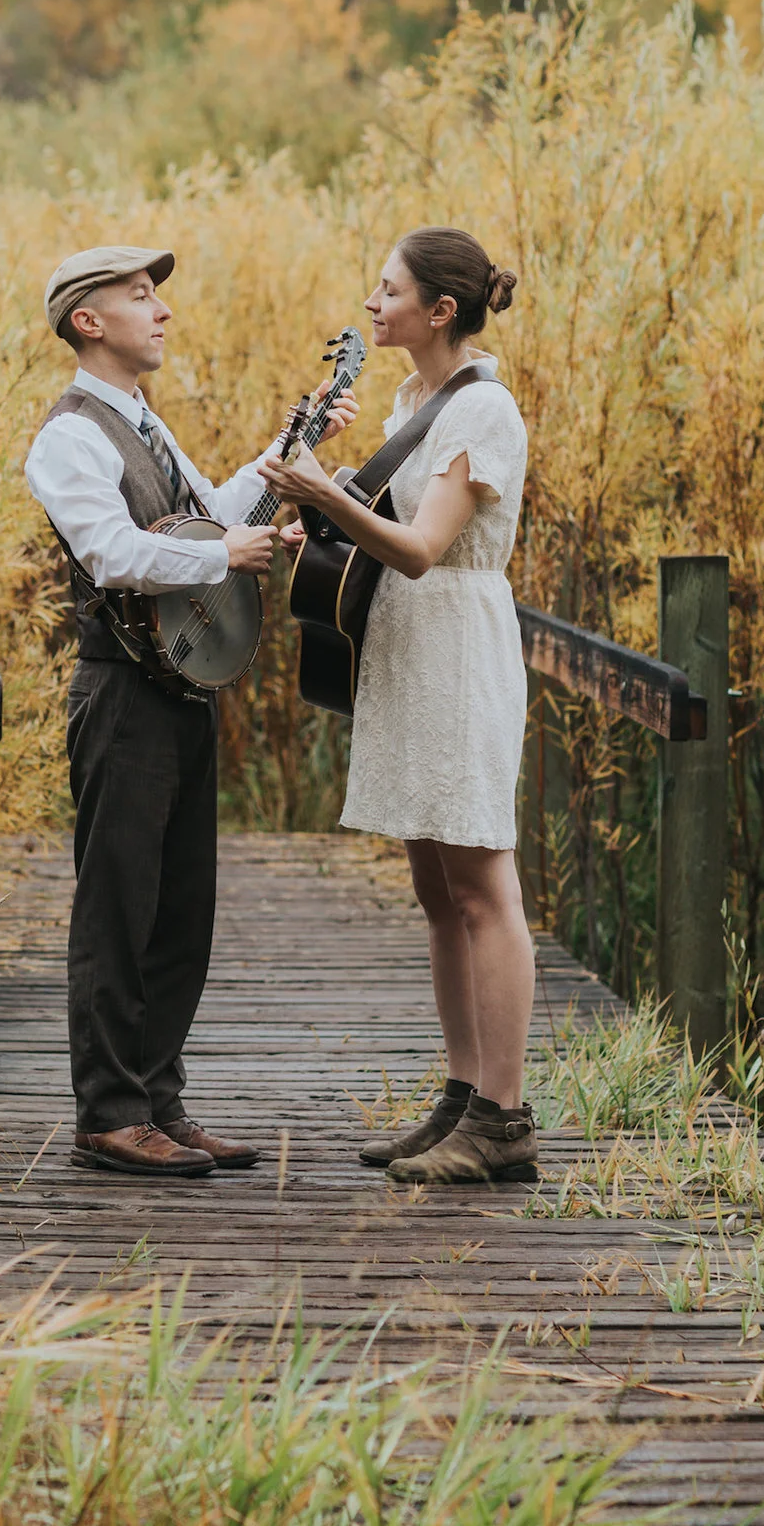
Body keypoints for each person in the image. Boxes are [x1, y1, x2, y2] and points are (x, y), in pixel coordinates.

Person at [26, 244, 355, 1181]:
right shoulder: (70, 436)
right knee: (118, 907)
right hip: (122, 696)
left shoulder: (145, 422)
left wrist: (292, 455)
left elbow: (210, 511)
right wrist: (223, 558)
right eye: (140, 296)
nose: (162, 311)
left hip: (181, 693)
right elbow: (110, 552)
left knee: (181, 910)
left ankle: (159, 1104)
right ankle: (109, 1115)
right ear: (89, 321)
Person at [259, 227, 538, 1185]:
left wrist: (324, 494)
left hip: (456, 652)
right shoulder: (414, 400)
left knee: (483, 888)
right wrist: (321, 532)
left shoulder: (482, 409)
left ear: (440, 310)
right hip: (408, 653)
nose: (372, 305)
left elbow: (422, 550)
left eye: (388, 291)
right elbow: (389, 538)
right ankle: (460, 1100)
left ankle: (503, 1121)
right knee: (437, 893)